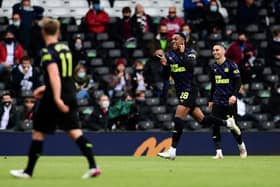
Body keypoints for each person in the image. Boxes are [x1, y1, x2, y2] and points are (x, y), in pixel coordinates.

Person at [9, 18, 100, 179]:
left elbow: (55, 75)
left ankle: (28, 171)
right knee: (75, 132)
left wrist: (56, 98)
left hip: (54, 98)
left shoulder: (47, 52)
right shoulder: (65, 49)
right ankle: (93, 165)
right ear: (58, 32)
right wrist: (45, 88)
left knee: (38, 133)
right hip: (70, 94)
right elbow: (65, 75)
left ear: (43, 32)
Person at [157, 33, 241, 160]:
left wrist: (182, 52)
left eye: (176, 39)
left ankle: (172, 150)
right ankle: (227, 122)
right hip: (180, 90)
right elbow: (165, 76)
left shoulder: (190, 52)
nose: (173, 41)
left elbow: (190, 66)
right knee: (203, 120)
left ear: (182, 41)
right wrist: (164, 66)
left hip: (190, 88)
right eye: (172, 39)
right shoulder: (168, 55)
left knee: (178, 117)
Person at [208, 43, 247, 159]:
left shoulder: (231, 65)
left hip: (229, 101)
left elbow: (238, 82)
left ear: (224, 51)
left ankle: (241, 147)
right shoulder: (213, 67)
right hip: (217, 100)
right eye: (213, 50)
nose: (215, 52)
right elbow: (213, 85)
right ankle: (219, 152)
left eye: (217, 50)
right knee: (215, 125)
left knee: (233, 126)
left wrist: (234, 95)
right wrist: (211, 100)